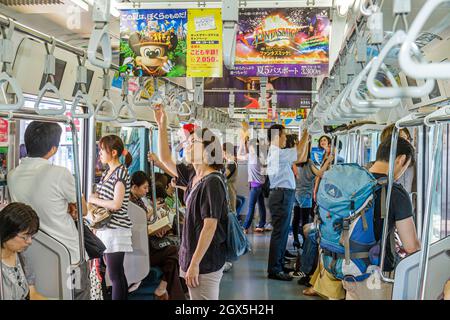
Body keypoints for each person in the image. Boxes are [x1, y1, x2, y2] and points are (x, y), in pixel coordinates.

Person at [151, 106, 228, 300]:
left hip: (205, 260)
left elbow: (209, 227)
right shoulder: (195, 175)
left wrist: (194, 264)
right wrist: (162, 126)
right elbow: (166, 159)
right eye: (188, 141)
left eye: (194, 142)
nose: (187, 144)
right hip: (192, 255)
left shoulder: (212, 182)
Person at [7, 121, 90, 300]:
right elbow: (83, 210)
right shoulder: (61, 174)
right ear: (53, 149)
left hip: (32, 256)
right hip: (69, 257)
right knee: (77, 295)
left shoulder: (12, 175)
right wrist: (71, 208)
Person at [342, 138, 421, 300]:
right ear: (401, 159)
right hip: (376, 274)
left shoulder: (355, 181)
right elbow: (411, 246)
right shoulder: (395, 192)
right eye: (406, 167)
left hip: (348, 267)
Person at [88, 135, 133, 300]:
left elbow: (116, 204)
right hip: (106, 229)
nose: (100, 153)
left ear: (113, 152)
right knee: (117, 274)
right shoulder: (108, 172)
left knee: (114, 275)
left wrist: (93, 199)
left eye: (102, 150)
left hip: (116, 230)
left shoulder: (120, 173)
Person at [129, 171, 186, 300]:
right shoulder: (129, 205)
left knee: (171, 262)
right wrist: (150, 223)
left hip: (147, 243)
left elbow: (144, 223)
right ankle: (172, 293)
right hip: (141, 249)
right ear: (134, 187)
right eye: (144, 187)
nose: (147, 191)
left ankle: (163, 290)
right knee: (173, 250)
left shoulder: (139, 201)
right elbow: (136, 227)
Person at [266, 124, 309, 281]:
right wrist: (306, 131)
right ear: (278, 136)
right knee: (279, 233)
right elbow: (298, 153)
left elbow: (301, 157)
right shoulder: (277, 153)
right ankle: (274, 269)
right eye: (284, 135)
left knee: (282, 232)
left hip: (283, 194)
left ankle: (278, 263)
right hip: (281, 195)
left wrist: (307, 137)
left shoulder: (278, 153)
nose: (286, 139)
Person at [0, 202, 47, 300]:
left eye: (31, 236)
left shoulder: (22, 259)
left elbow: (32, 294)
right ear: (7, 232)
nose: (29, 242)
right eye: (24, 237)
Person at [238, 137, 268, 234]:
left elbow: (238, 156)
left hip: (255, 187)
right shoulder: (261, 156)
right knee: (261, 206)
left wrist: (242, 143)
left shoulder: (252, 156)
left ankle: (245, 227)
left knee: (251, 207)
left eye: (248, 145)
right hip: (261, 185)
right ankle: (261, 225)